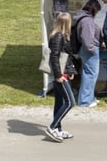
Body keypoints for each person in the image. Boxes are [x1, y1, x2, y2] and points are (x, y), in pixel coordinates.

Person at [44, 12, 76, 143]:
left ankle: (58, 128)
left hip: (63, 73)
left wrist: (70, 70)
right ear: (65, 23)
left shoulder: (62, 35)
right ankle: (52, 127)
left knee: (60, 102)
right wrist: (58, 76)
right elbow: (54, 57)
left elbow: (65, 56)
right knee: (70, 102)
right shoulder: (58, 36)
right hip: (60, 75)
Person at [73, 0, 102, 108]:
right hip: (89, 50)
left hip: (86, 50)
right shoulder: (87, 21)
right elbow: (87, 39)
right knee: (90, 75)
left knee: (89, 75)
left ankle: (89, 98)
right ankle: (85, 101)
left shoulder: (82, 18)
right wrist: (93, 49)